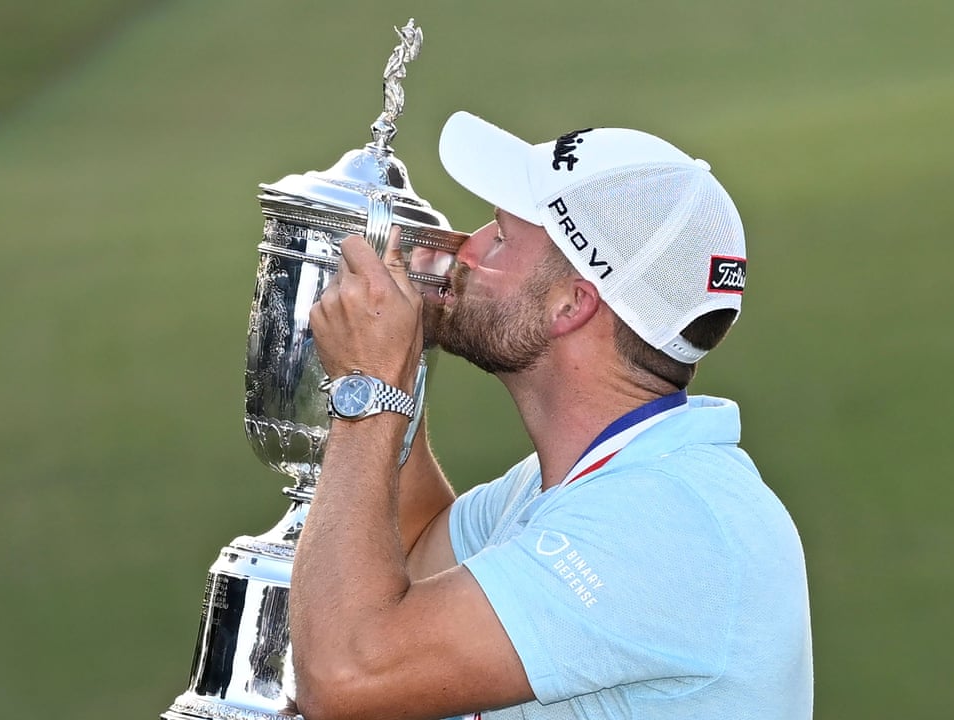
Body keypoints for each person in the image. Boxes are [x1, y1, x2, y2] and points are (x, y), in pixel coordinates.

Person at [290, 110, 813, 720]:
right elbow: (410, 548)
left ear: (571, 304)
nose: (469, 246)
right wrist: (398, 354)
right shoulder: (594, 484)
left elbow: (347, 675)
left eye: (504, 236)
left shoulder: (663, 524)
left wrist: (368, 387)